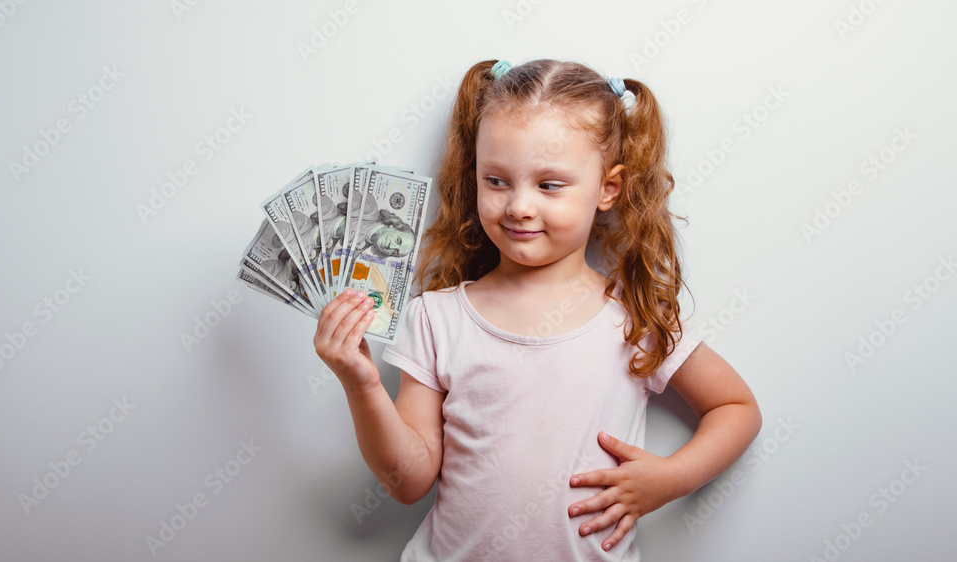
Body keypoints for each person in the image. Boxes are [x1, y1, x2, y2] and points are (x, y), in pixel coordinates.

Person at [313, 59, 762, 561]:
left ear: (608, 188)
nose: (519, 206)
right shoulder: (436, 318)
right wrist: (362, 381)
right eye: (497, 180)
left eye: (549, 185)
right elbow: (409, 482)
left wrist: (668, 478)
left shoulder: (634, 316)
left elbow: (736, 409)